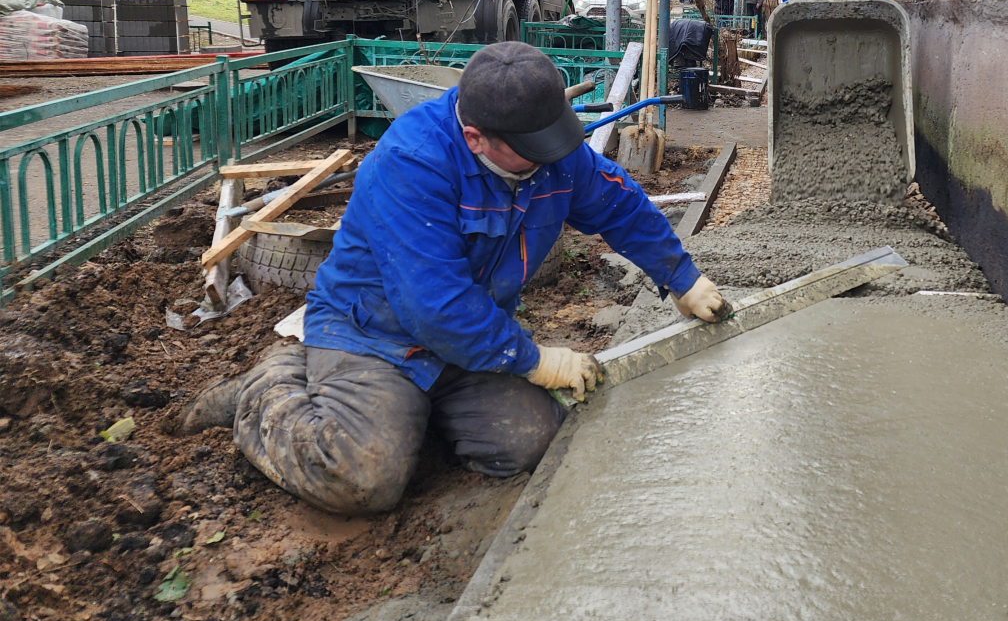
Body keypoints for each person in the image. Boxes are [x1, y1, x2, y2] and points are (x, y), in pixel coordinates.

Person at [181, 42, 728, 517]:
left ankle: (406, 418)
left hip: (470, 340)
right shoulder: (412, 164)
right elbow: (433, 306)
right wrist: (536, 361)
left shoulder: (545, 148)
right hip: (376, 335)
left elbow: (618, 205)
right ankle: (271, 386)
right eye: (533, 152)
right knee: (364, 478)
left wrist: (683, 279)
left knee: (532, 442)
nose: (553, 160)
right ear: (475, 138)